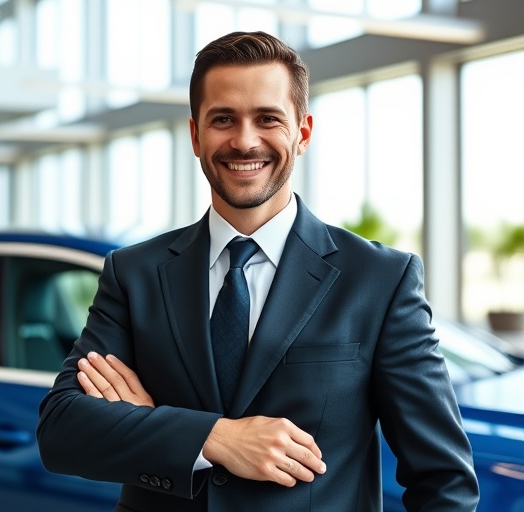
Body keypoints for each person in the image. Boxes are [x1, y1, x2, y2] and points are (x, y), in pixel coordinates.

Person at [36, 31, 479, 511]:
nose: (244, 141)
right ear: (195, 135)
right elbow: (61, 430)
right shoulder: (135, 272)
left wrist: (152, 423)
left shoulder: (378, 279)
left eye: (267, 119)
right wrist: (215, 438)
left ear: (302, 133)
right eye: (223, 119)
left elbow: (444, 480)